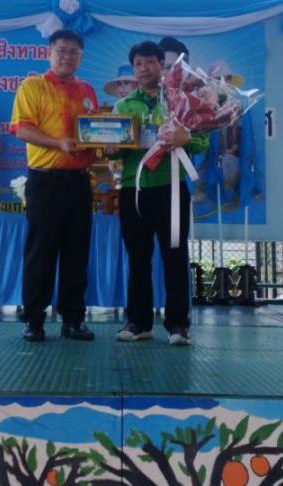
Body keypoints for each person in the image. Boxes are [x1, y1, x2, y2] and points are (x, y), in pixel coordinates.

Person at [110, 40, 208, 346]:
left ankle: (178, 325)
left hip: (172, 188)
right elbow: (114, 150)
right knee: (137, 258)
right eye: (137, 64)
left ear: (161, 65)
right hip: (134, 189)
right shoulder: (124, 106)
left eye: (149, 62)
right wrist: (109, 147)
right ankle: (139, 323)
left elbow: (202, 141)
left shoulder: (181, 100)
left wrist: (185, 138)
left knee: (175, 256)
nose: (143, 69)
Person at [10, 29, 98, 342]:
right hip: (44, 181)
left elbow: (94, 133)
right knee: (40, 252)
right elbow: (22, 129)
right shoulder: (33, 86)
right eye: (61, 50)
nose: (67, 56)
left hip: (79, 183)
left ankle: (73, 320)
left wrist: (108, 144)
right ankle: (34, 320)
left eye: (74, 52)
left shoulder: (87, 91)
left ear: (81, 57)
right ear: (49, 52)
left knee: (77, 252)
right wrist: (58, 143)